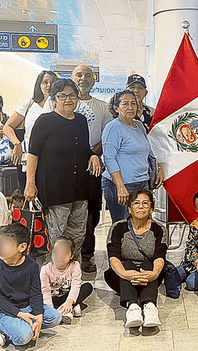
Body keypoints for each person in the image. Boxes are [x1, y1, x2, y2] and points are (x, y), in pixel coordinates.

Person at [25, 78, 102, 262]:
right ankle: (53, 277)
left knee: (77, 234)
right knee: (57, 236)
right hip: (55, 189)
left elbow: (84, 148)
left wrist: (92, 155)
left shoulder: (81, 121)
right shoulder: (45, 121)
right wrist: (30, 183)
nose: (68, 100)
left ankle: (71, 273)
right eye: (62, 96)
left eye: (72, 96)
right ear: (54, 99)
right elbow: (33, 154)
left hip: (80, 189)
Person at [0, 223, 62, 347]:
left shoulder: (32, 266)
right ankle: (6, 332)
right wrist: (20, 314)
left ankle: (24, 326)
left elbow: (36, 293)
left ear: (22, 247)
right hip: (2, 312)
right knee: (24, 337)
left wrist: (39, 316)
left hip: (27, 307)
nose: (1, 249)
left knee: (56, 317)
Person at [71, 65, 113, 274]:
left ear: (94, 80)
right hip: (67, 167)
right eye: (79, 74)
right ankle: (67, 256)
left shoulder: (103, 107)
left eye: (88, 75)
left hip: (92, 167)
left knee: (90, 213)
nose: (83, 78)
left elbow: (106, 138)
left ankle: (87, 255)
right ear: (72, 78)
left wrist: (90, 154)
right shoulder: (62, 104)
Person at [105, 190, 166, 329]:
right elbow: (113, 256)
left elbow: (159, 256)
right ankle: (132, 308)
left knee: (148, 264)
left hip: (149, 274)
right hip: (122, 275)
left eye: (145, 203)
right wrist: (125, 273)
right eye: (136, 203)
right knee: (126, 264)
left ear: (151, 208)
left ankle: (150, 307)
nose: (141, 206)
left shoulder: (159, 229)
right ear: (129, 208)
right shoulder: (118, 227)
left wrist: (154, 273)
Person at [102, 90, 162, 224]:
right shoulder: (113, 127)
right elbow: (109, 158)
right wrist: (120, 186)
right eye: (125, 104)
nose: (130, 107)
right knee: (123, 227)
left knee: (144, 225)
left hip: (142, 183)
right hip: (121, 185)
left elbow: (149, 151)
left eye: (133, 103)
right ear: (116, 108)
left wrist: (159, 169)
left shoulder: (139, 125)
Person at [4, 71, 57, 190]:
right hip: (28, 156)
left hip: (50, 157)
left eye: (52, 83)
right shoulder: (30, 104)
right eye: (45, 82)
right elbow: (7, 127)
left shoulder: (58, 104)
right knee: (28, 192)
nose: (48, 85)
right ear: (39, 84)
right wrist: (17, 143)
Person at [40, 236, 93, 324]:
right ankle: (68, 310)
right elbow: (45, 291)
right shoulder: (45, 269)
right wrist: (50, 309)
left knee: (87, 287)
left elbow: (76, 286)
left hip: (67, 296)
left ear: (71, 255)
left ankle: (68, 307)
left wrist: (69, 302)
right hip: (52, 298)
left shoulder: (75, 266)